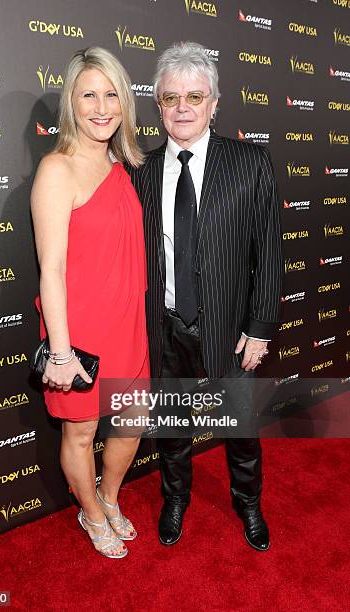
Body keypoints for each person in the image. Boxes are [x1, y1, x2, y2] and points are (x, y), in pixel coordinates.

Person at [128, 42, 283, 551]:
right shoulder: (142, 171)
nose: (183, 107)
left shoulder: (250, 163)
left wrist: (260, 328)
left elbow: (271, 254)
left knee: (241, 432)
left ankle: (248, 505)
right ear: (158, 106)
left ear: (215, 102)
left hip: (231, 330)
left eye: (196, 95)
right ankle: (175, 499)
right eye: (171, 98)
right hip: (166, 328)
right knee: (171, 430)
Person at [31, 47, 149, 559]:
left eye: (111, 95)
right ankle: (93, 514)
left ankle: (108, 496)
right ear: (71, 105)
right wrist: (61, 354)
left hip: (129, 326)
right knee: (80, 434)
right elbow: (51, 270)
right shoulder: (57, 170)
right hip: (77, 334)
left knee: (132, 421)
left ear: (124, 102)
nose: (102, 107)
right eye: (89, 95)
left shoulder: (122, 166)